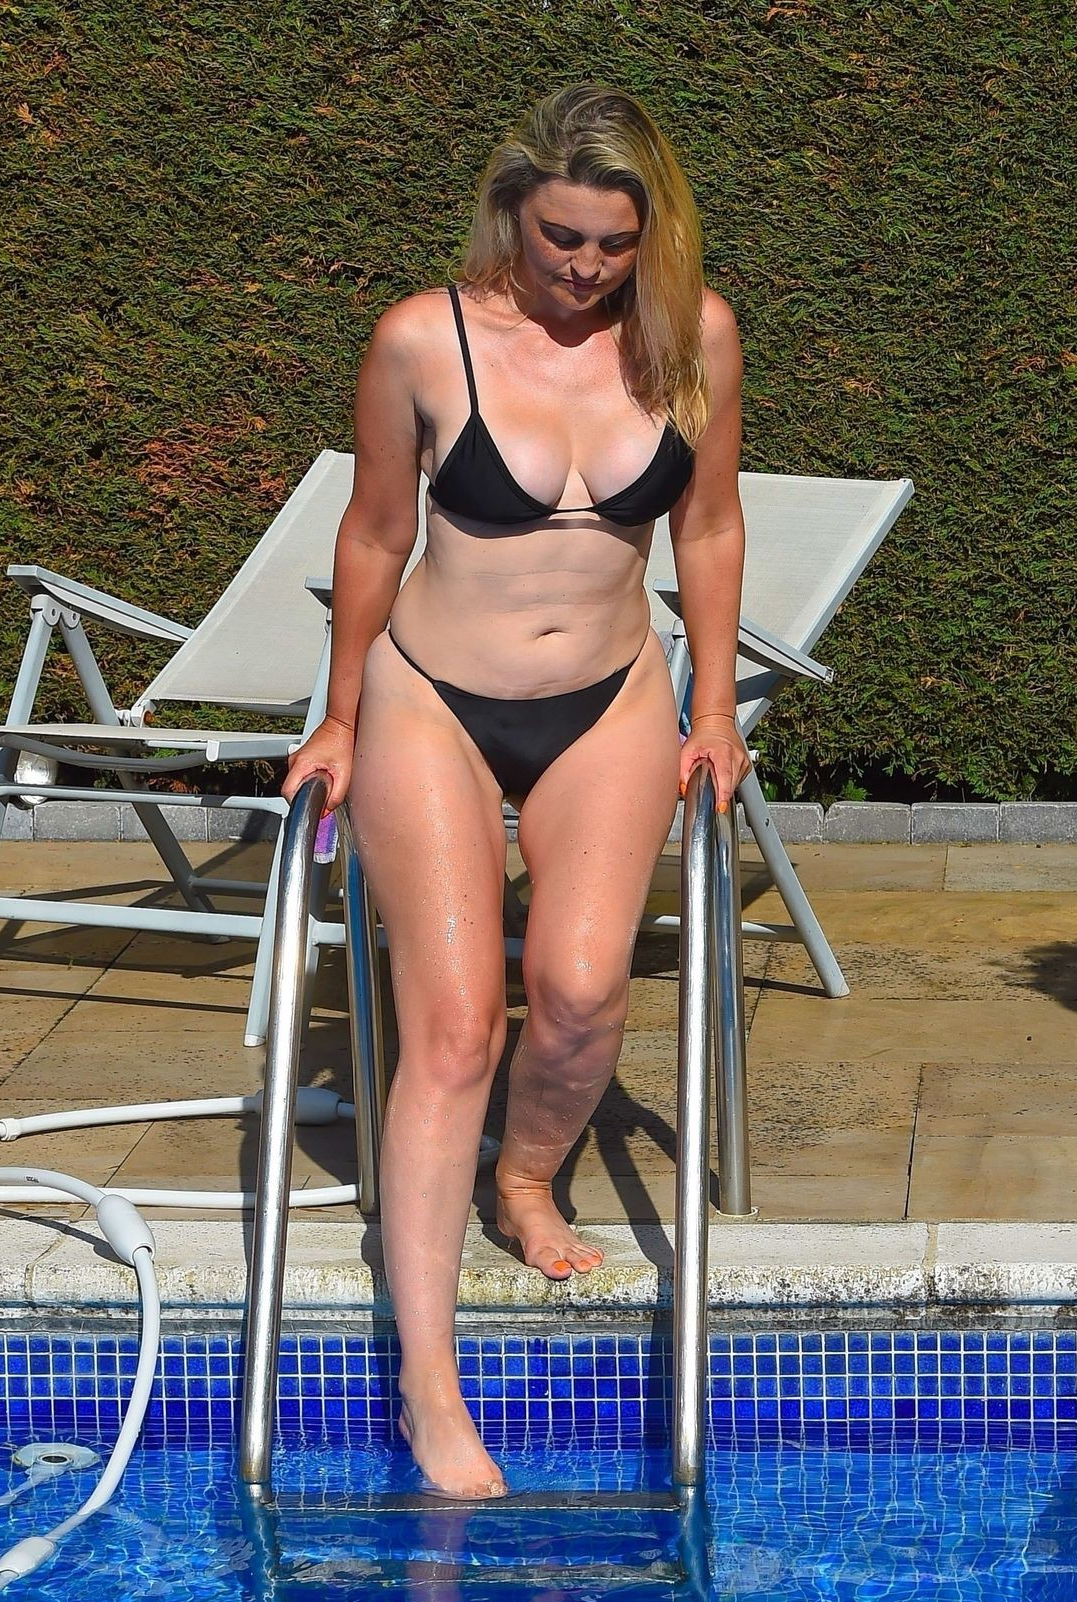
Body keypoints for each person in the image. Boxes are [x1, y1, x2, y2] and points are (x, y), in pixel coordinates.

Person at [280, 82, 749, 1499]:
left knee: (587, 992)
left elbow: (709, 527)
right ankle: (430, 1386)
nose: (584, 269)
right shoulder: (422, 340)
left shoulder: (693, 337)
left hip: (611, 697)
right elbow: (374, 535)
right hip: (433, 694)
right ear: (511, 214)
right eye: (560, 239)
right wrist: (339, 716)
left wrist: (714, 709)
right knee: (451, 1030)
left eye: (613, 243)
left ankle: (525, 1175)